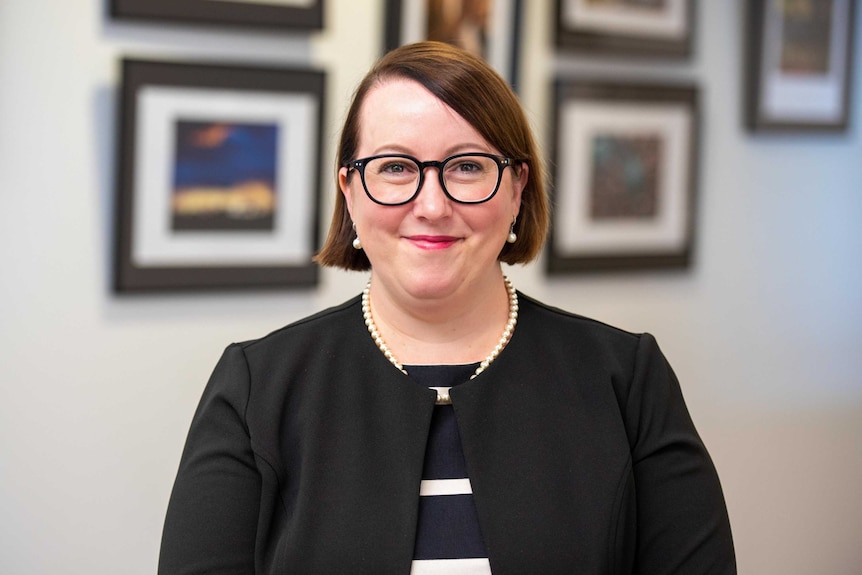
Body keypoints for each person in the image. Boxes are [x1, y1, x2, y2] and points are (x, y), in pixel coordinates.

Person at [158, 41, 736, 574]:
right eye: (394, 167)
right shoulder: (257, 388)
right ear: (350, 192)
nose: (431, 205)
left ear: (516, 190)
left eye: (466, 166)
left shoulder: (626, 380)